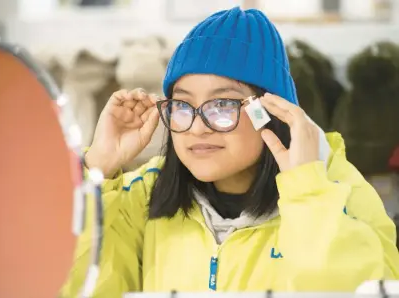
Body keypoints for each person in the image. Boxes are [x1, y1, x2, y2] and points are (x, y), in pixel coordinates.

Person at [60, 7, 399, 298]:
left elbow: (354, 289)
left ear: (271, 110)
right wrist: (97, 173)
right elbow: (76, 287)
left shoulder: (339, 194)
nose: (196, 126)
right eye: (183, 105)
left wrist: (307, 191)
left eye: (222, 105)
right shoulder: (143, 194)